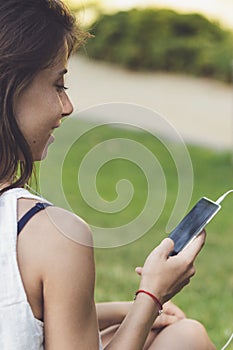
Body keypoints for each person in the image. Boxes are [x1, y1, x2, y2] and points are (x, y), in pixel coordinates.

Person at [0, 1, 216, 349]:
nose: (67, 107)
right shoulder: (51, 235)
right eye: (58, 85)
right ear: (9, 88)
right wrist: (152, 294)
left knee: (179, 333)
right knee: (184, 340)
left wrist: (123, 311)